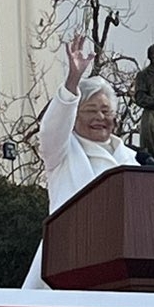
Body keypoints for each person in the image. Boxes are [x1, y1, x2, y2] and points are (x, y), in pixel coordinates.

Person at [23, 36, 140, 288]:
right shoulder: (63, 151)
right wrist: (73, 80)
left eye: (106, 111)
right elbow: (51, 128)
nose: (100, 117)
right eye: (91, 110)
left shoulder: (131, 159)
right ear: (75, 115)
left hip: (123, 263)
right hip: (69, 259)